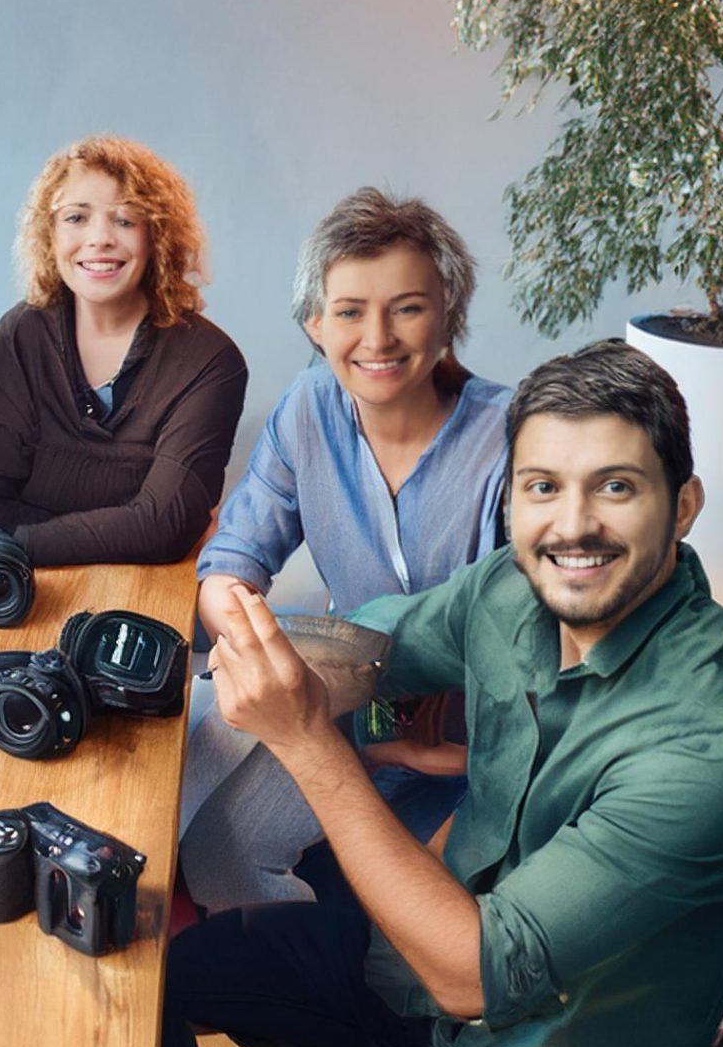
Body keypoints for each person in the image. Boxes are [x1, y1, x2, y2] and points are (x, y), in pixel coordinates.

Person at [152, 340, 723, 1047]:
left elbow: (473, 970)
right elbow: (377, 643)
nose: (570, 524)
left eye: (615, 486)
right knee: (151, 974)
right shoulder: (515, 587)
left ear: (684, 505)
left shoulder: (720, 754)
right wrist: (250, 646)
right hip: (411, 972)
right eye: (541, 486)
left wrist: (306, 737)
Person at [177, 188, 510, 909]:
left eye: (408, 307)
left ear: (449, 310)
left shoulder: (511, 438)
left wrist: (428, 745)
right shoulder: (308, 408)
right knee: (201, 837)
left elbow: (536, 649)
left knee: (256, 858)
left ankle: (356, 986)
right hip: (346, 705)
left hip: (477, 742)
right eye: (351, 311)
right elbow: (232, 556)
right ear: (315, 325)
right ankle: (309, 990)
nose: (378, 338)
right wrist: (247, 639)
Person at [0, 136, 247, 564]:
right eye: (76, 217)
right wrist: (127, 526)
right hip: (22, 593)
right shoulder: (19, 338)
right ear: (49, 235)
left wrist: (15, 542)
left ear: (157, 236)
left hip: (149, 598)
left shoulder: (210, 362)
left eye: (125, 221)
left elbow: (164, 529)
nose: (100, 239)